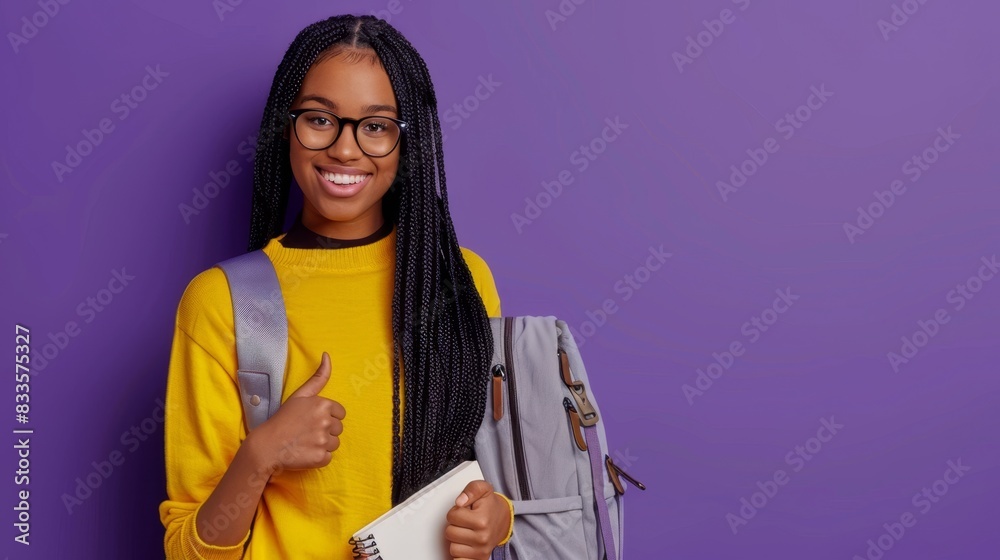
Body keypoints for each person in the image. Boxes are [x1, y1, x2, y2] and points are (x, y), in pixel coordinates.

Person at [158, 14, 514, 559]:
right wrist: (262, 455)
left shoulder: (461, 281)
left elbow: (490, 470)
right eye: (320, 119)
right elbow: (188, 550)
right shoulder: (222, 302)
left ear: (406, 144)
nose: (345, 151)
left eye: (375, 126)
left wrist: (496, 519)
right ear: (287, 125)